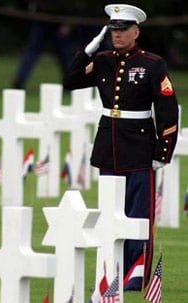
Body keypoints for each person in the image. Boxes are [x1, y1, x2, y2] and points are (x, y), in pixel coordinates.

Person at [63, 4, 179, 291]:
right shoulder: (102, 60)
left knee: (137, 216)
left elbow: (167, 109)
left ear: (135, 32)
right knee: (109, 216)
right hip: (108, 147)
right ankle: (110, 269)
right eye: (114, 30)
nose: (117, 35)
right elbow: (71, 81)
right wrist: (87, 50)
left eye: (123, 29)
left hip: (139, 148)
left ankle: (134, 276)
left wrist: (162, 153)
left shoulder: (152, 64)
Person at [12, 0, 71, 89]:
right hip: (46, 19)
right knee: (33, 52)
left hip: (51, 19)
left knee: (64, 55)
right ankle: (19, 81)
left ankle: (19, 81)